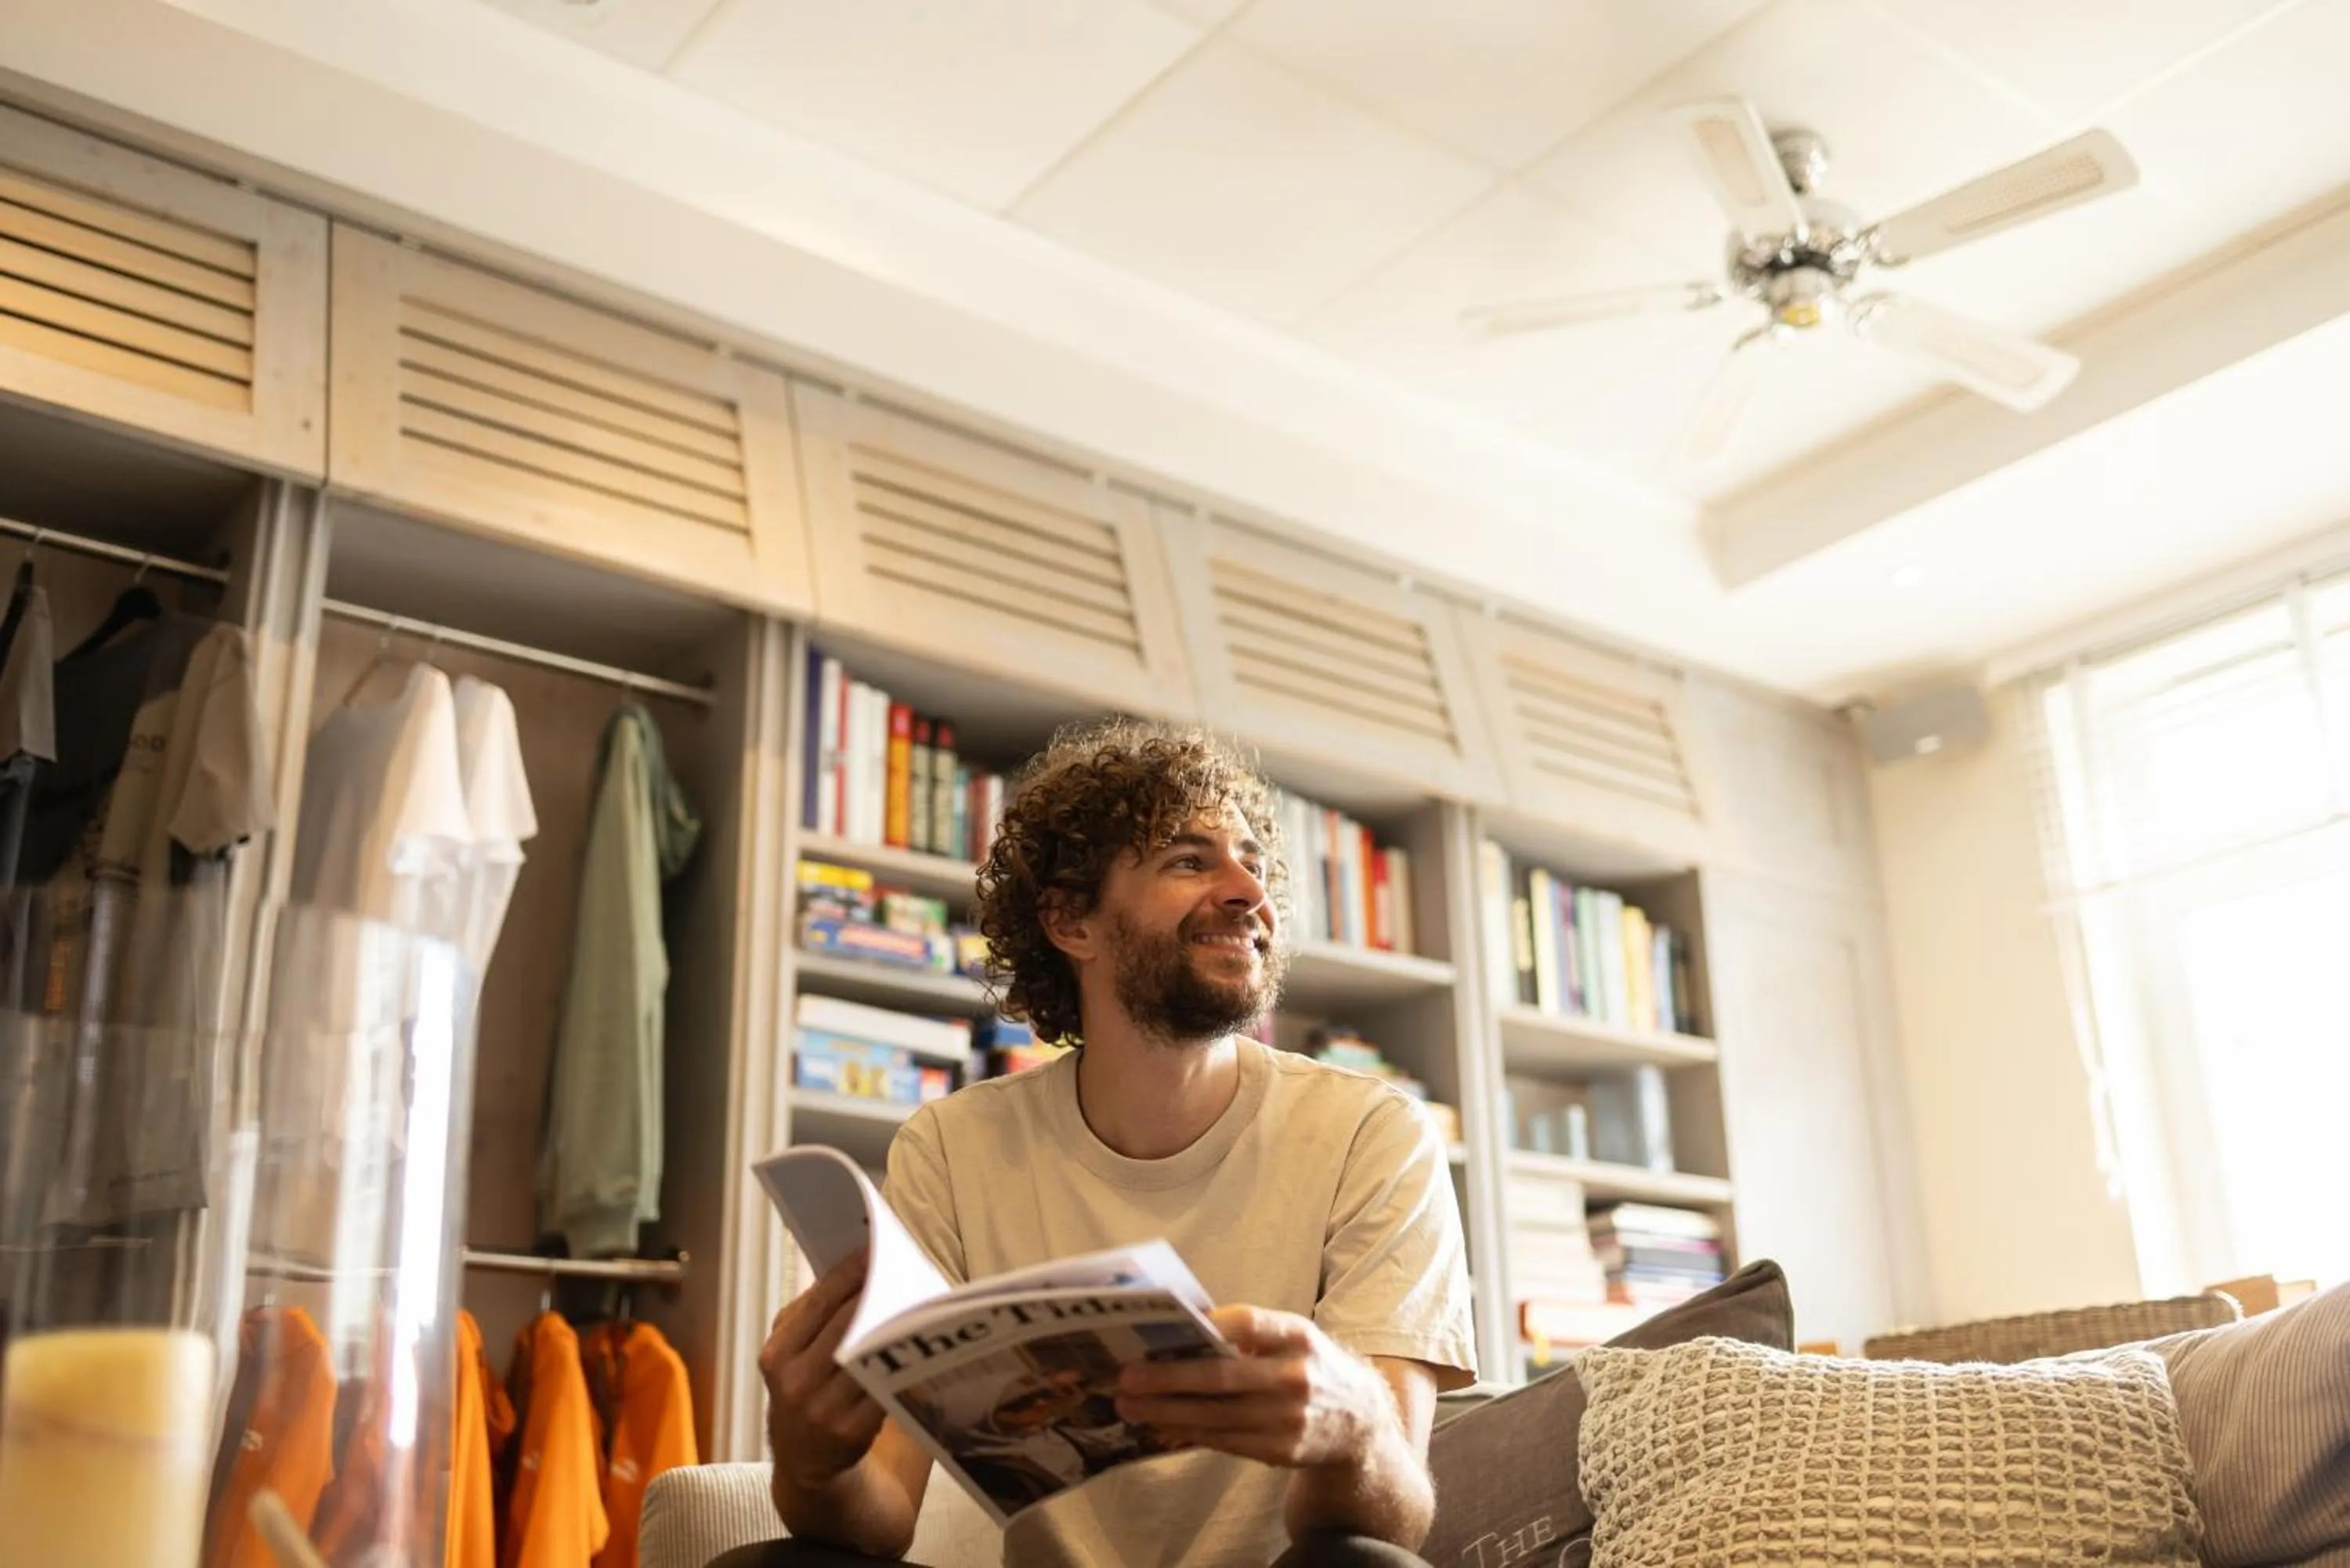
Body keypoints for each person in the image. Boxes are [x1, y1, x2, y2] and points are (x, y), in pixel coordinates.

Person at [741, 719, 1476, 1568]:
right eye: (1189, 860)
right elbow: (878, 1518)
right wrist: (809, 1457)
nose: (1248, 891)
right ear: (1070, 921)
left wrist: (1353, 1427)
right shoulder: (951, 1147)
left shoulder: (1372, 1132)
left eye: (1253, 861)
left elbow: (1393, 1520)